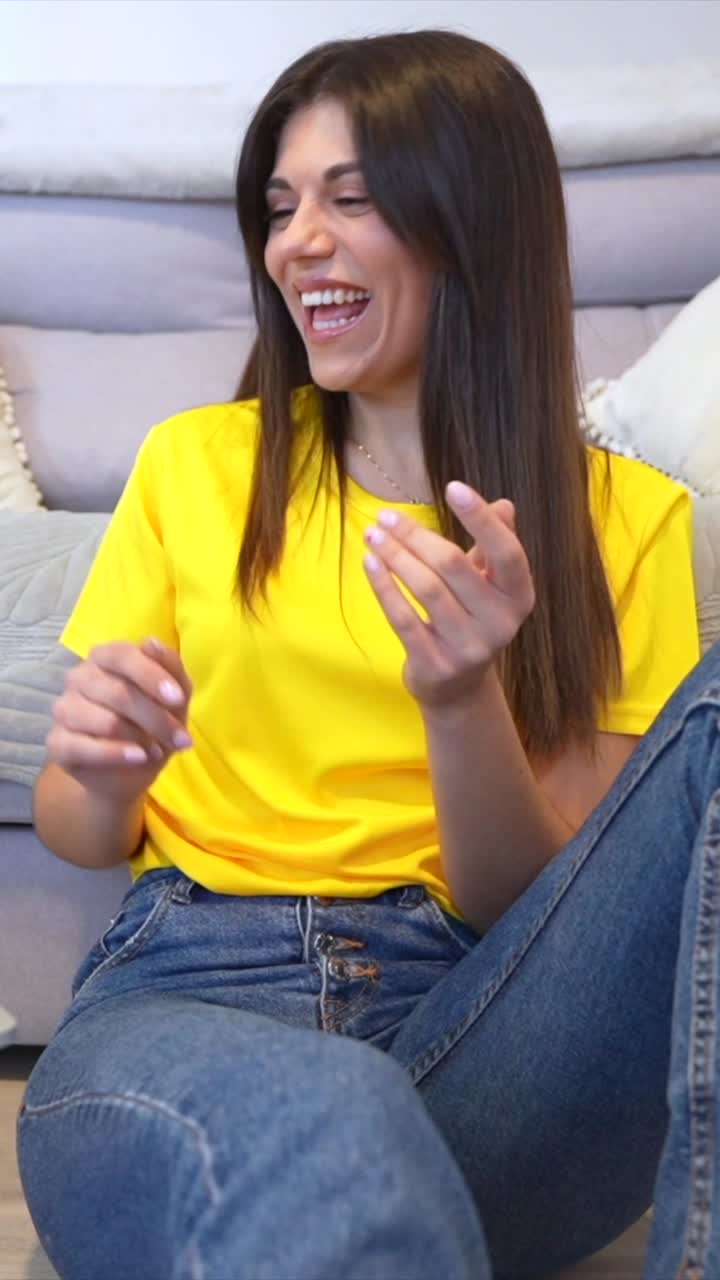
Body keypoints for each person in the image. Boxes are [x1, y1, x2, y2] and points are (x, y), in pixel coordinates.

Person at [15, 28, 718, 1280]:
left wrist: (460, 697)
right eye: (281, 206)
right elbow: (78, 825)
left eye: (351, 197)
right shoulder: (199, 465)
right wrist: (104, 770)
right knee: (331, 1124)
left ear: (472, 221)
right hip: (190, 994)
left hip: (481, 1027)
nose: (296, 242)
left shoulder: (623, 519)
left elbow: (525, 905)